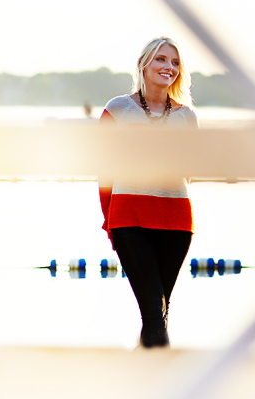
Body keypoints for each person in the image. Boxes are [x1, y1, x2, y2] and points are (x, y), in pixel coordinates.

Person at [98, 36, 199, 348]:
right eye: (160, 59)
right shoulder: (117, 109)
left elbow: (189, 173)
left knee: (158, 313)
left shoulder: (187, 116)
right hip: (129, 221)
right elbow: (104, 172)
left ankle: (144, 380)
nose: (168, 66)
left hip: (176, 222)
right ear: (143, 64)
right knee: (156, 313)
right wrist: (110, 222)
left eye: (175, 62)